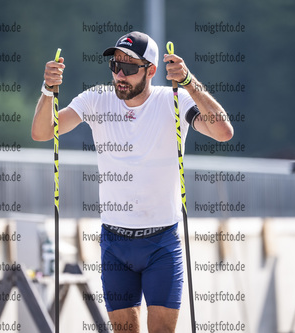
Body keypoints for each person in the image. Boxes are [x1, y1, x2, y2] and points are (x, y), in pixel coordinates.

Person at [32, 31, 233, 333]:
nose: (119, 75)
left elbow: (223, 132)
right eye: (115, 66)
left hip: (162, 242)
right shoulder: (96, 99)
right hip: (115, 242)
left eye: (129, 68)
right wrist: (48, 90)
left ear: (151, 70)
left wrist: (190, 82)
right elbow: (42, 132)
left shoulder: (172, 100)